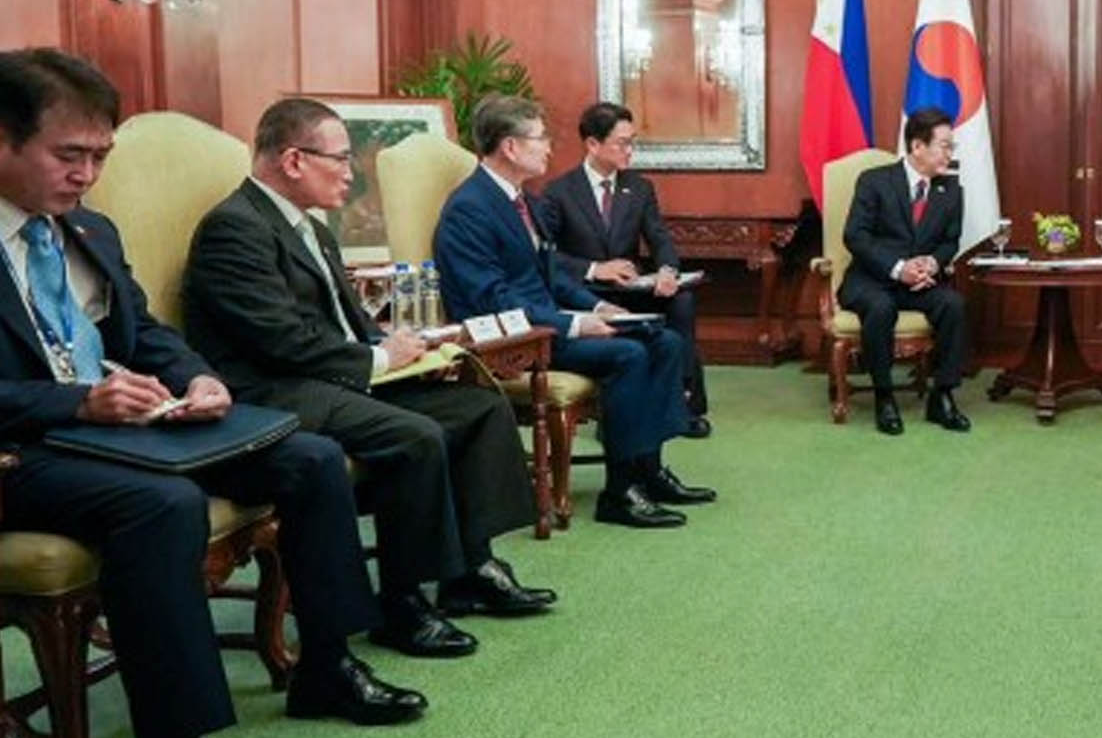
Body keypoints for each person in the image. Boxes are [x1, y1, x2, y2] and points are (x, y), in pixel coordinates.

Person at [0, 49, 425, 738]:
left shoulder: (86, 229)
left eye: (100, 156)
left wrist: (199, 378)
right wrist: (76, 401)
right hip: (25, 448)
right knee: (162, 506)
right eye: (68, 155)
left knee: (309, 457)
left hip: (121, 425)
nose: (87, 175)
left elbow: (144, 332)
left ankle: (327, 665)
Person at [183, 97, 555, 655]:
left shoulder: (312, 228)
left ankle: (469, 570)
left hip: (334, 375)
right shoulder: (234, 229)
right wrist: (379, 361)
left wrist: (406, 348)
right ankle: (403, 606)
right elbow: (279, 341)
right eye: (341, 159)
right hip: (274, 391)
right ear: (294, 161)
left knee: (478, 407)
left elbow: (345, 324)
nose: (351, 173)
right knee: (415, 436)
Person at [433, 94, 713, 529]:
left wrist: (598, 305)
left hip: (546, 321)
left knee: (665, 341)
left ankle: (649, 472)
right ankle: (620, 494)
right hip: (515, 338)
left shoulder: (522, 200)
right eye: (541, 138)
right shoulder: (469, 208)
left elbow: (552, 277)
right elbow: (492, 300)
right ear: (510, 147)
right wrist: (577, 324)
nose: (549, 148)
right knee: (629, 354)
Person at [542, 102, 710, 439]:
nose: (630, 151)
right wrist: (594, 269)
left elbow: (659, 237)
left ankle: (683, 402)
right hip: (586, 293)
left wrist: (667, 270)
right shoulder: (559, 192)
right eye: (622, 143)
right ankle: (618, 410)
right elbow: (546, 256)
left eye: (633, 142)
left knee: (681, 301)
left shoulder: (640, 187)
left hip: (632, 290)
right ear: (593, 144)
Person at [838, 107, 969, 436]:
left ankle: (942, 395)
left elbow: (950, 241)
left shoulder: (951, 190)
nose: (950, 154)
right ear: (917, 146)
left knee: (953, 305)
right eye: (944, 146)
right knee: (881, 308)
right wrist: (898, 269)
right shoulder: (875, 181)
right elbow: (856, 236)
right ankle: (884, 396)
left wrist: (932, 264)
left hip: (919, 284)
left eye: (951, 146)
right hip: (872, 280)